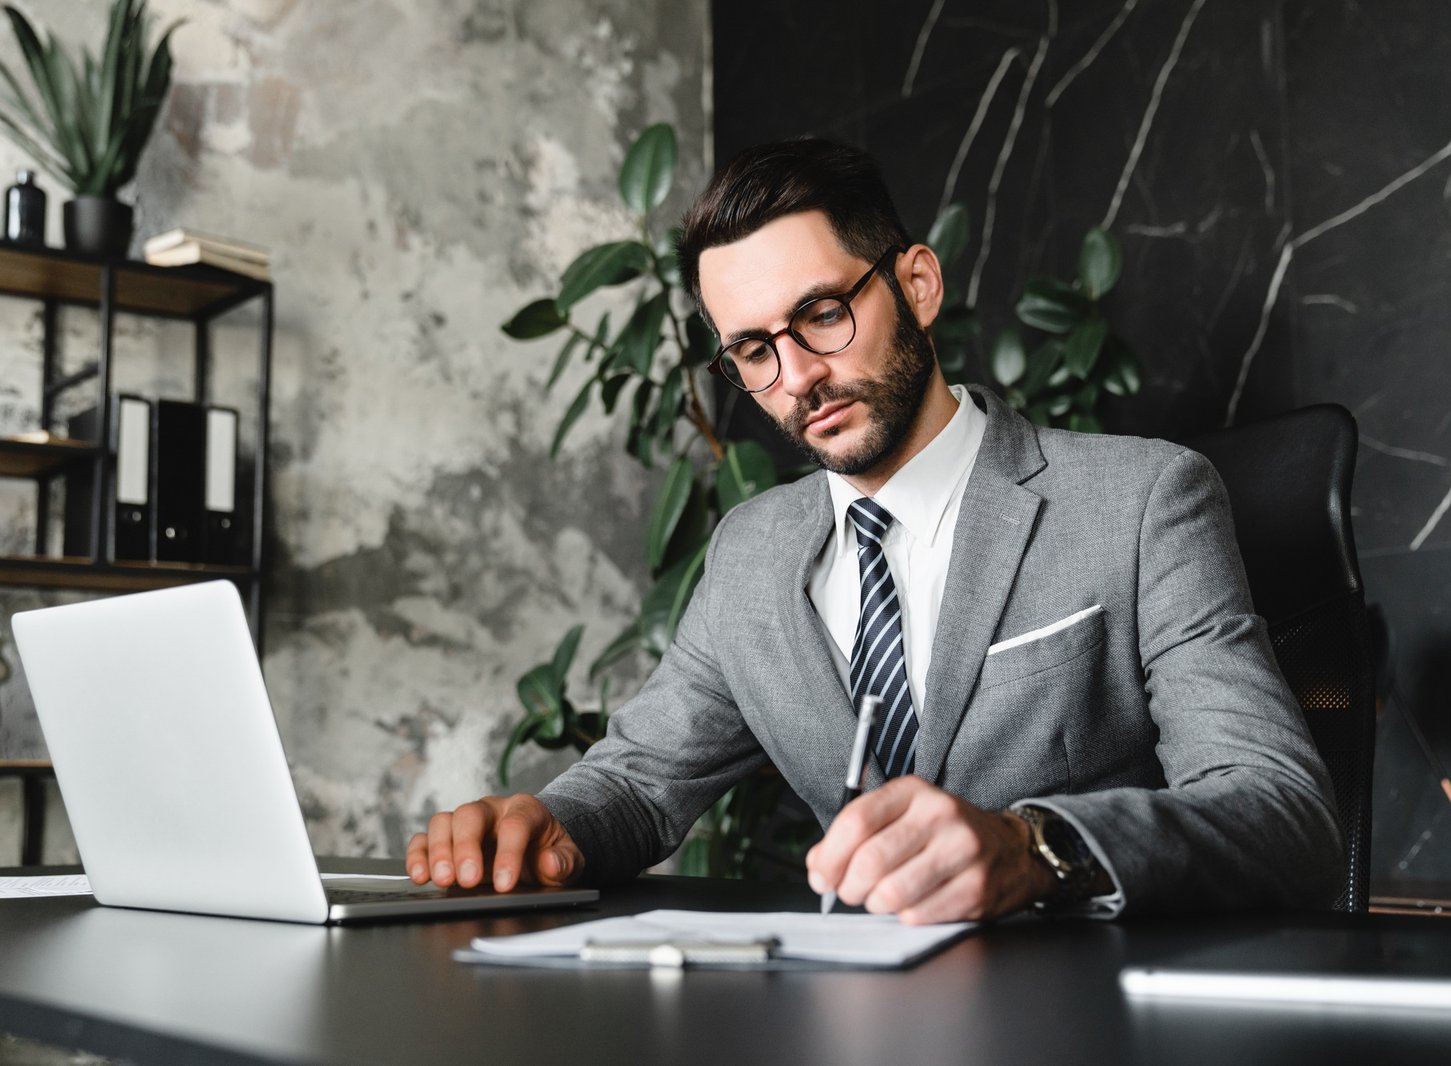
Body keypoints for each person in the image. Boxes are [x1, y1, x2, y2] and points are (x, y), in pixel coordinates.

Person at [408, 138, 1342, 922]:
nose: (797, 378)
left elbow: (1283, 813)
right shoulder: (751, 553)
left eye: (821, 315)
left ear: (919, 284)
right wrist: (545, 828)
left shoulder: (1142, 501)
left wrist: (1038, 849)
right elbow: (639, 780)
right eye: (753, 351)